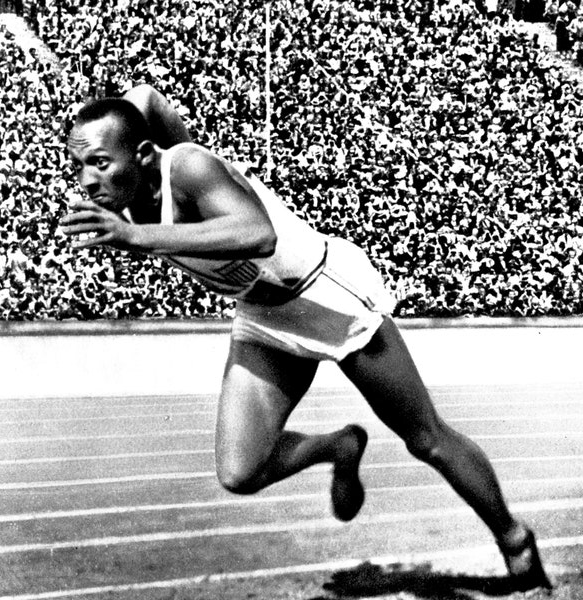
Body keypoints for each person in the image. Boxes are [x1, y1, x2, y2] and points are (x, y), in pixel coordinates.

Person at [60, 85, 551, 592]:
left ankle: (514, 540)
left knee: (426, 439)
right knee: (240, 470)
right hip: (263, 317)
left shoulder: (187, 168)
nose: (88, 180)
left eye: (100, 162)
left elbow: (258, 234)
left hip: (326, 297)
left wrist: (138, 234)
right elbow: (142, 99)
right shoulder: (129, 193)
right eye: (80, 167)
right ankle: (337, 446)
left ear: (141, 154)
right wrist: (120, 140)